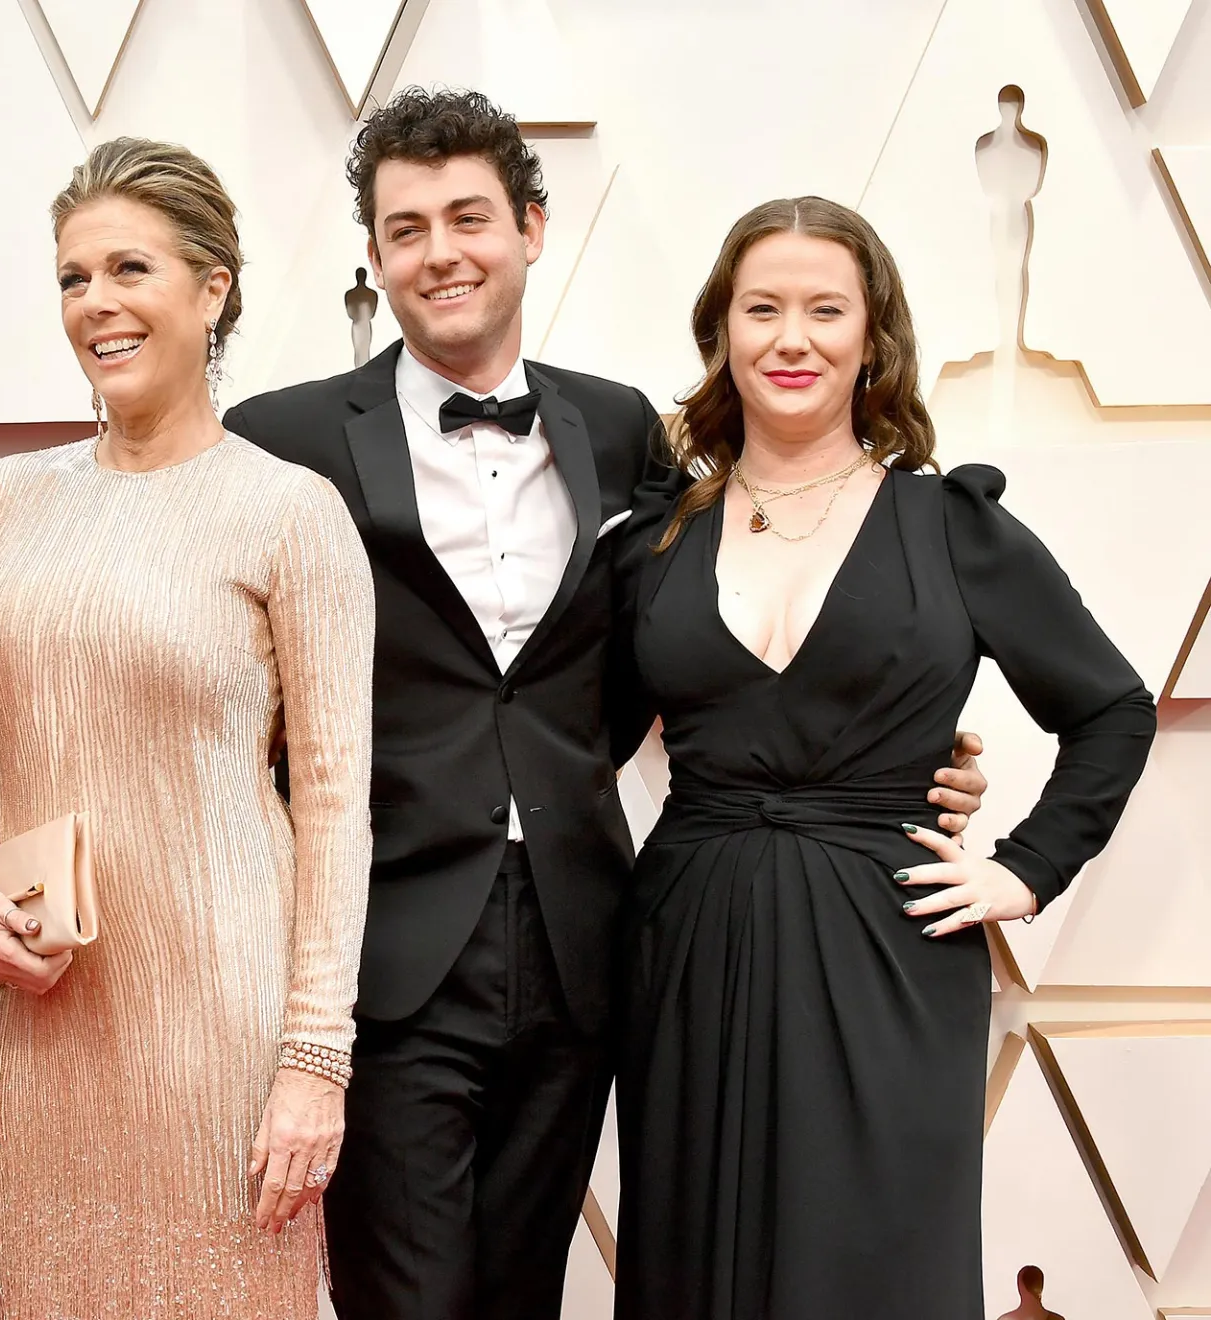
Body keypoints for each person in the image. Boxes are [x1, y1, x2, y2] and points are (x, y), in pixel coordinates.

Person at [222, 89, 987, 1319]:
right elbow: (224, 684)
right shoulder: (282, 438)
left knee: (525, 1292)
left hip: (585, 943)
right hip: (384, 942)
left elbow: (712, 625)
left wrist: (885, 748)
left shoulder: (623, 428)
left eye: (467, 217)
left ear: (530, 228)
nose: (439, 252)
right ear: (372, 253)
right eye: (406, 228)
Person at [610, 197, 1156, 1320]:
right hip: (687, 944)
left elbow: (1109, 708)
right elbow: (568, 739)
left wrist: (1023, 870)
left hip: (890, 947)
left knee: (872, 1265)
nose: (791, 338)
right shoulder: (656, 541)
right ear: (722, 331)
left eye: (825, 310)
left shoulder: (950, 525)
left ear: (872, 338)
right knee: (692, 1264)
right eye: (761, 309)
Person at [0, 137, 374, 1318]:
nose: (95, 303)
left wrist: (312, 1062)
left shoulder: (289, 511)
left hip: (224, 1027)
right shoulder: (1, 503)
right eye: (73, 278)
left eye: (129, 269)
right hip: (47, 1022)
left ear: (211, 289)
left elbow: (334, 805)